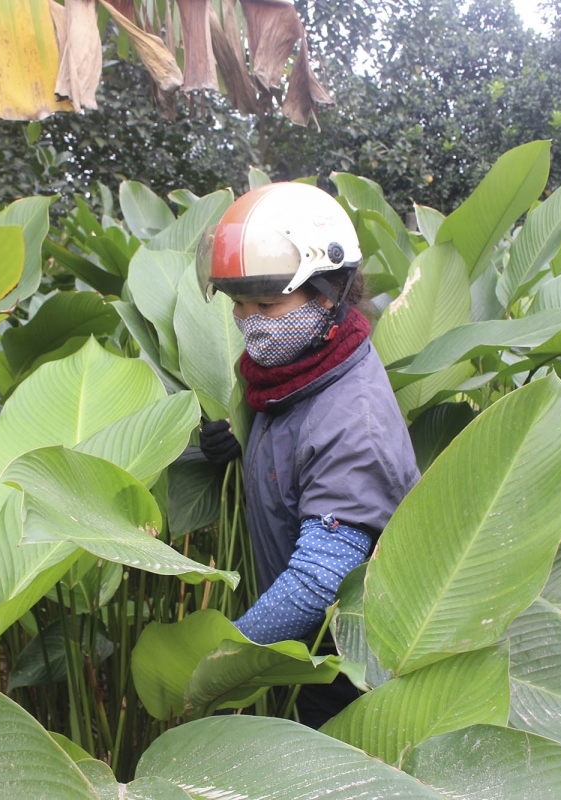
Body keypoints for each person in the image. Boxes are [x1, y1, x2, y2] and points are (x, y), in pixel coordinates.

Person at [195, 182, 420, 728]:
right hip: (316, 663)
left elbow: (319, 580)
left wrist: (218, 664)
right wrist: (233, 452)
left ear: (327, 294)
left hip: (355, 679)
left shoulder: (354, 419)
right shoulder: (295, 375)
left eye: (268, 303)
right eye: (240, 304)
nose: (251, 320)